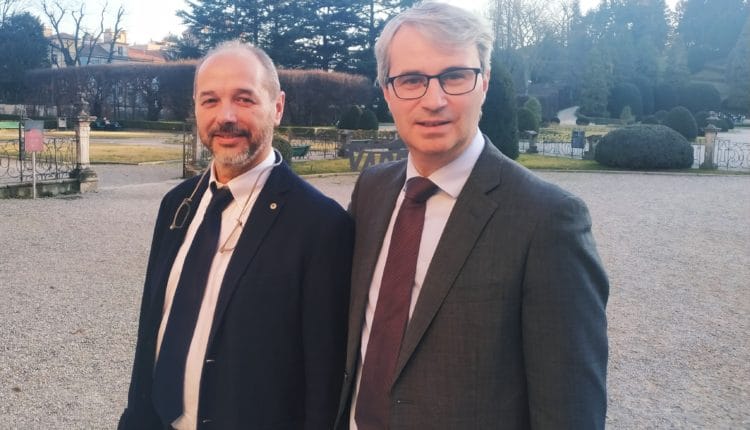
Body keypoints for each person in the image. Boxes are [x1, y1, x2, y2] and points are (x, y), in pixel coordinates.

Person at [336, 3, 609, 429]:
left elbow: (569, 410)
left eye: (455, 76)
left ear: (484, 82)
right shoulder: (372, 190)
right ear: (387, 91)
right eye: (411, 80)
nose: (434, 100)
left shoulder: (548, 220)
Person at [119, 41, 353, 430]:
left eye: (244, 99)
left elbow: (323, 380)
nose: (225, 116)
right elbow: (151, 329)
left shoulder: (321, 225)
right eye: (210, 100)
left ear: (277, 107)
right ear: (196, 108)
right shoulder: (176, 204)